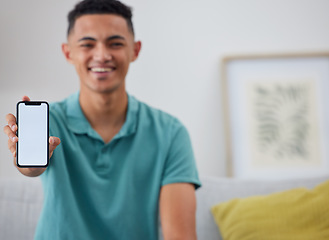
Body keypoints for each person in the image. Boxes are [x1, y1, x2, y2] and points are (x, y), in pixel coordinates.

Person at [3, 0, 201, 239]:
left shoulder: (170, 133)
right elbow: (32, 169)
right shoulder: (50, 120)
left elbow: (180, 235)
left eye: (115, 43)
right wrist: (29, 164)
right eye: (88, 44)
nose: (102, 55)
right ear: (68, 53)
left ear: (135, 50)